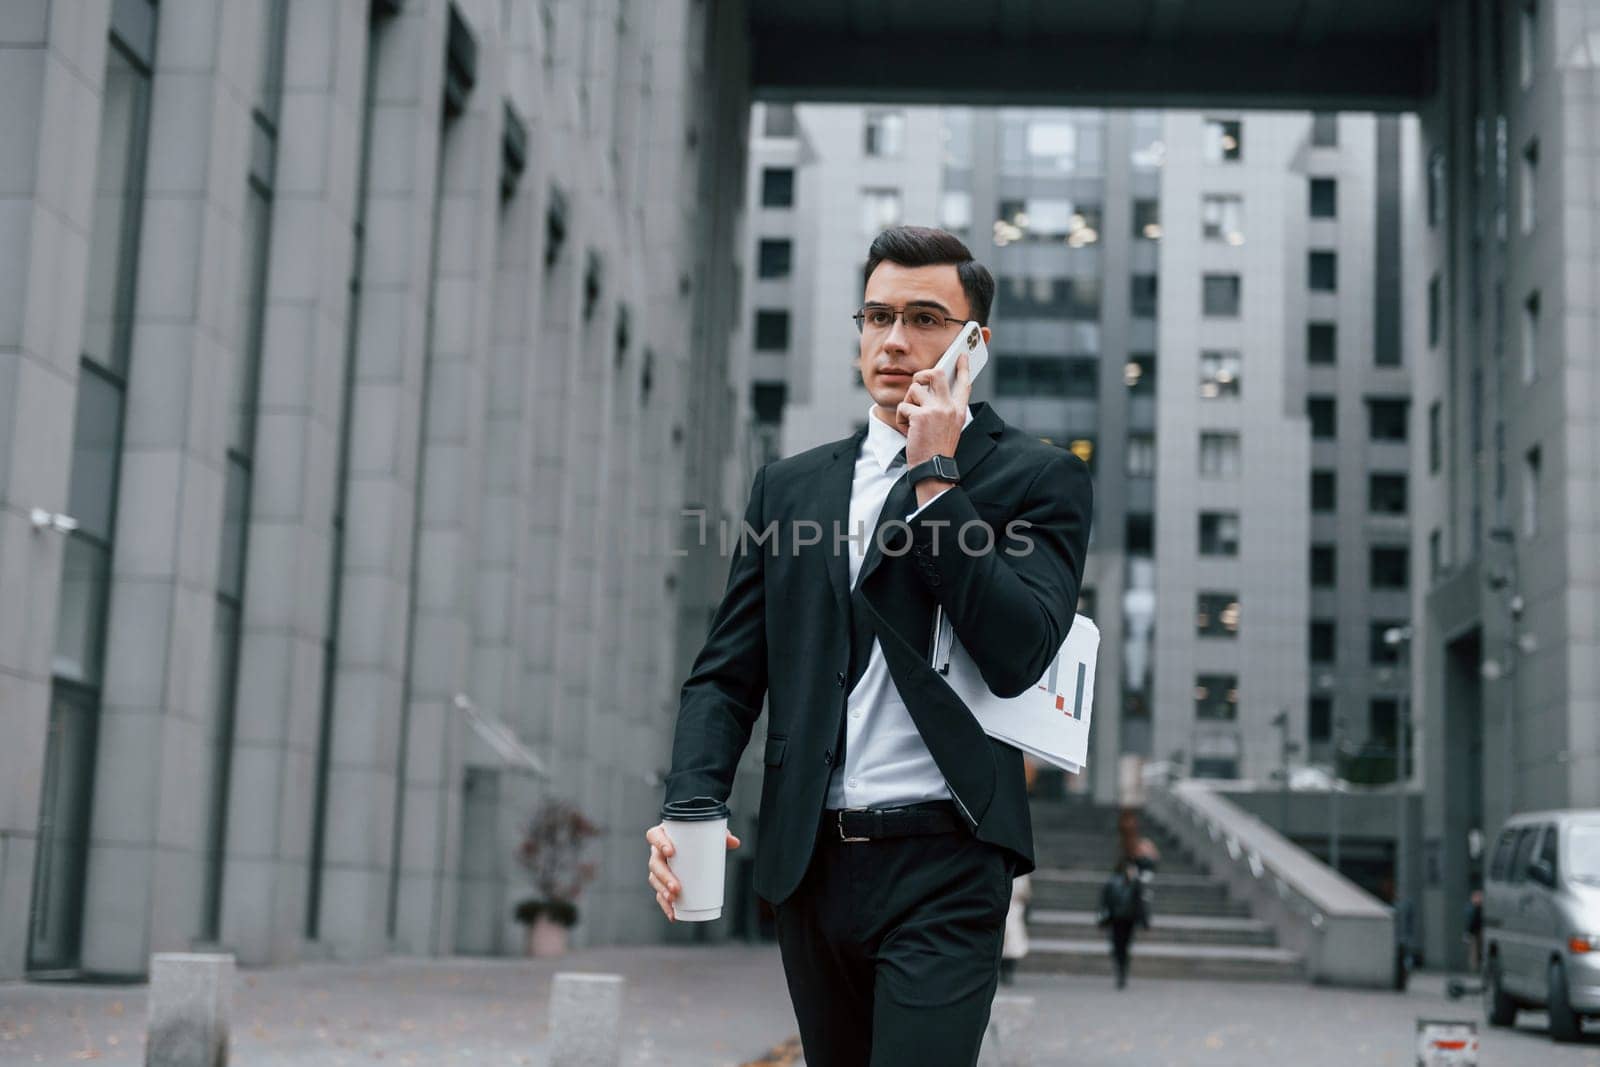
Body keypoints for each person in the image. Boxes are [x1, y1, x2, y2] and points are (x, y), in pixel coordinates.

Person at [644, 226, 1093, 1066]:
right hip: (811, 866)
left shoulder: (1039, 478)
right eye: (878, 315)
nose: (893, 341)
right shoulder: (792, 485)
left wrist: (935, 478)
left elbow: (1020, 647)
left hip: (948, 862)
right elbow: (727, 675)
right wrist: (690, 803)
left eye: (924, 317)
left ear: (974, 346)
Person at [1098, 858, 1150, 990]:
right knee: (1119, 947)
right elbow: (1105, 902)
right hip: (1118, 920)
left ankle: (1122, 970)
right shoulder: (1116, 882)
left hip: (1127, 920)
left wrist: (1144, 920)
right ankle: (1121, 970)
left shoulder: (1133, 883)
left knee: (1122, 947)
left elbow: (1140, 904)